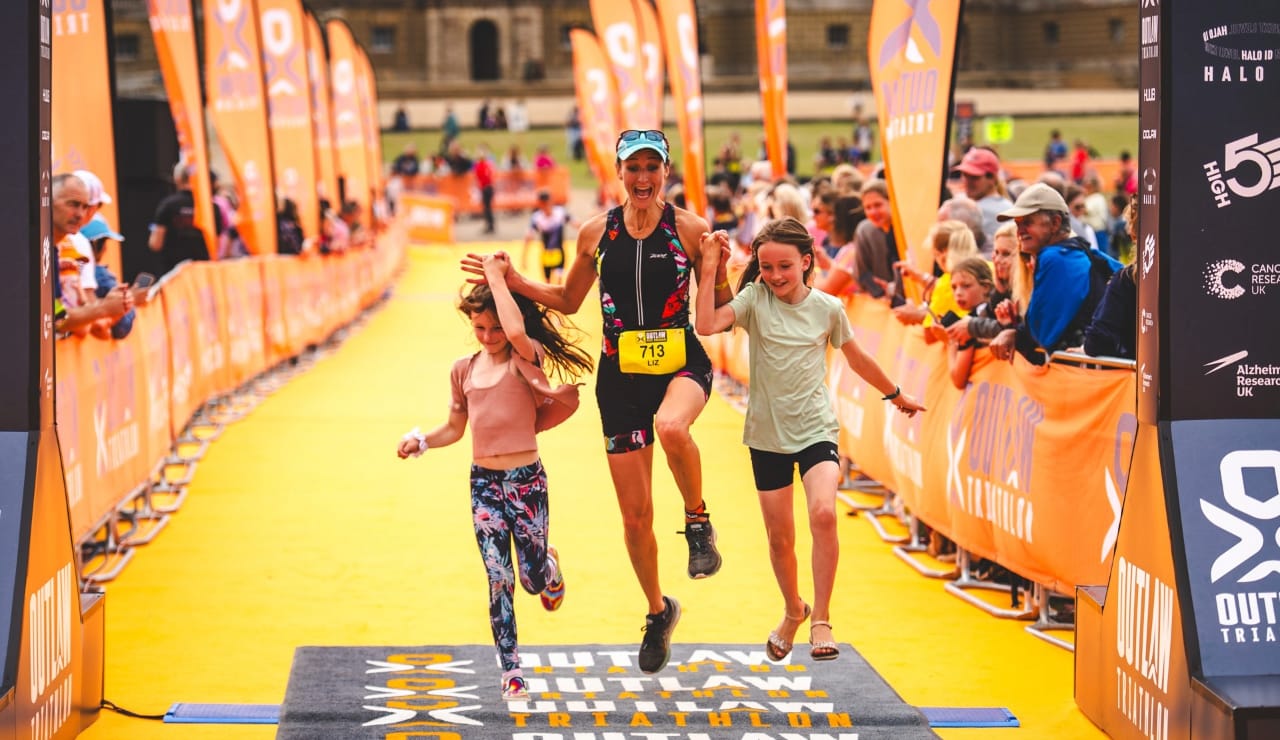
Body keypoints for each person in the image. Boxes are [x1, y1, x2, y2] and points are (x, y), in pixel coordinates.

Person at [461, 128, 735, 674]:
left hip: (680, 362)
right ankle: (659, 611)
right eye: (632, 169)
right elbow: (567, 298)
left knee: (674, 428)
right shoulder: (596, 233)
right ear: (618, 173)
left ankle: (698, 521)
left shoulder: (690, 229)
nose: (642, 179)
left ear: (665, 173)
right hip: (621, 379)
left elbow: (723, 305)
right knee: (635, 519)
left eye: (651, 168)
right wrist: (514, 280)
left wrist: (716, 267)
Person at [693, 218, 924, 663]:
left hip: (816, 429)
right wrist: (709, 269)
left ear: (806, 262)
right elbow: (706, 323)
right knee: (781, 540)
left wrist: (895, 394)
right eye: (766, 267)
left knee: (823, 512)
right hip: (766, 435)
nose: (775, 276)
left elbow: (858, 359)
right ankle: (792, 610)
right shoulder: (755, 299)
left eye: (785, 266)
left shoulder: (828, 308)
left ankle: (821, 616)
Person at [396, 260, 593, 701]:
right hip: (484, 484)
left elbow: (519, 333)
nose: (488, 336)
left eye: (495, 327)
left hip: (527, 483)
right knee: (498, 576)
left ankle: (549, 566)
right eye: (479, 328)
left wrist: (499, 279)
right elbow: (454, 428)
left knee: (532, 580)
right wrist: (420, 440)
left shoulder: (526, 356)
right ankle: (512, 669)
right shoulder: (463, 370)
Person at [943, 257, 996, 389]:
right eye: (954, 287)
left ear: (986, 287)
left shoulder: (968, 325)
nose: (958, 293)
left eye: (966, 286)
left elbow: (958, 379)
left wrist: (951, 342)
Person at [521, 191, 576, 282]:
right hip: (546, 254)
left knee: (559, 281)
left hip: (559, 253)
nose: (546, 206)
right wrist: (524, 258)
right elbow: (528, 238)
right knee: (547, 282)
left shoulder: (560, 213)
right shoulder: (537, 217)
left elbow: (576, 224)